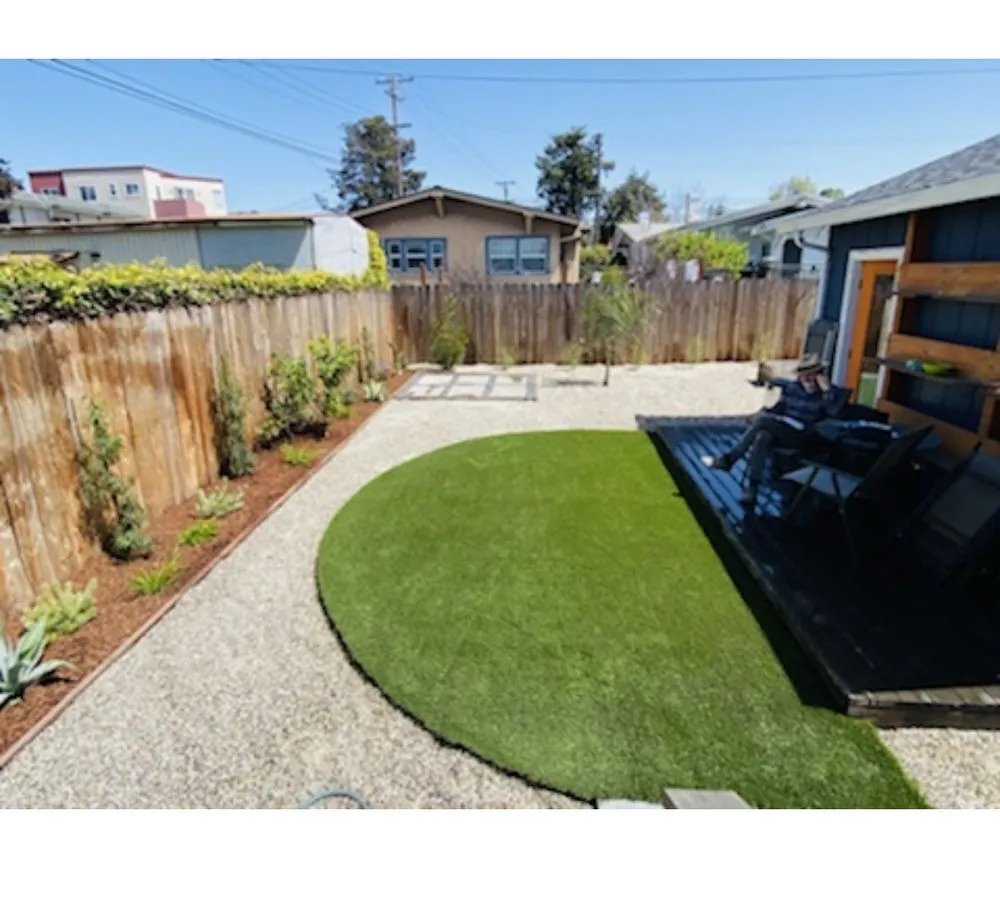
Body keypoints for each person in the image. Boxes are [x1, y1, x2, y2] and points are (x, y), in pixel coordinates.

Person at [701, 352, 846, 506]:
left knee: (764, 421)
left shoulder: (828, 394)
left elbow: (836, 412)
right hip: (784, 430)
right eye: (805, 375)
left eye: (812, 374)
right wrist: (759, 413)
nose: (808, 378)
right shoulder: (793, 388)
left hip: (806, 437)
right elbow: (778, 408)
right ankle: (752, 489)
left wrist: (827, 391)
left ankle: (729, 460)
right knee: (762, 436)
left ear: (819, 374)